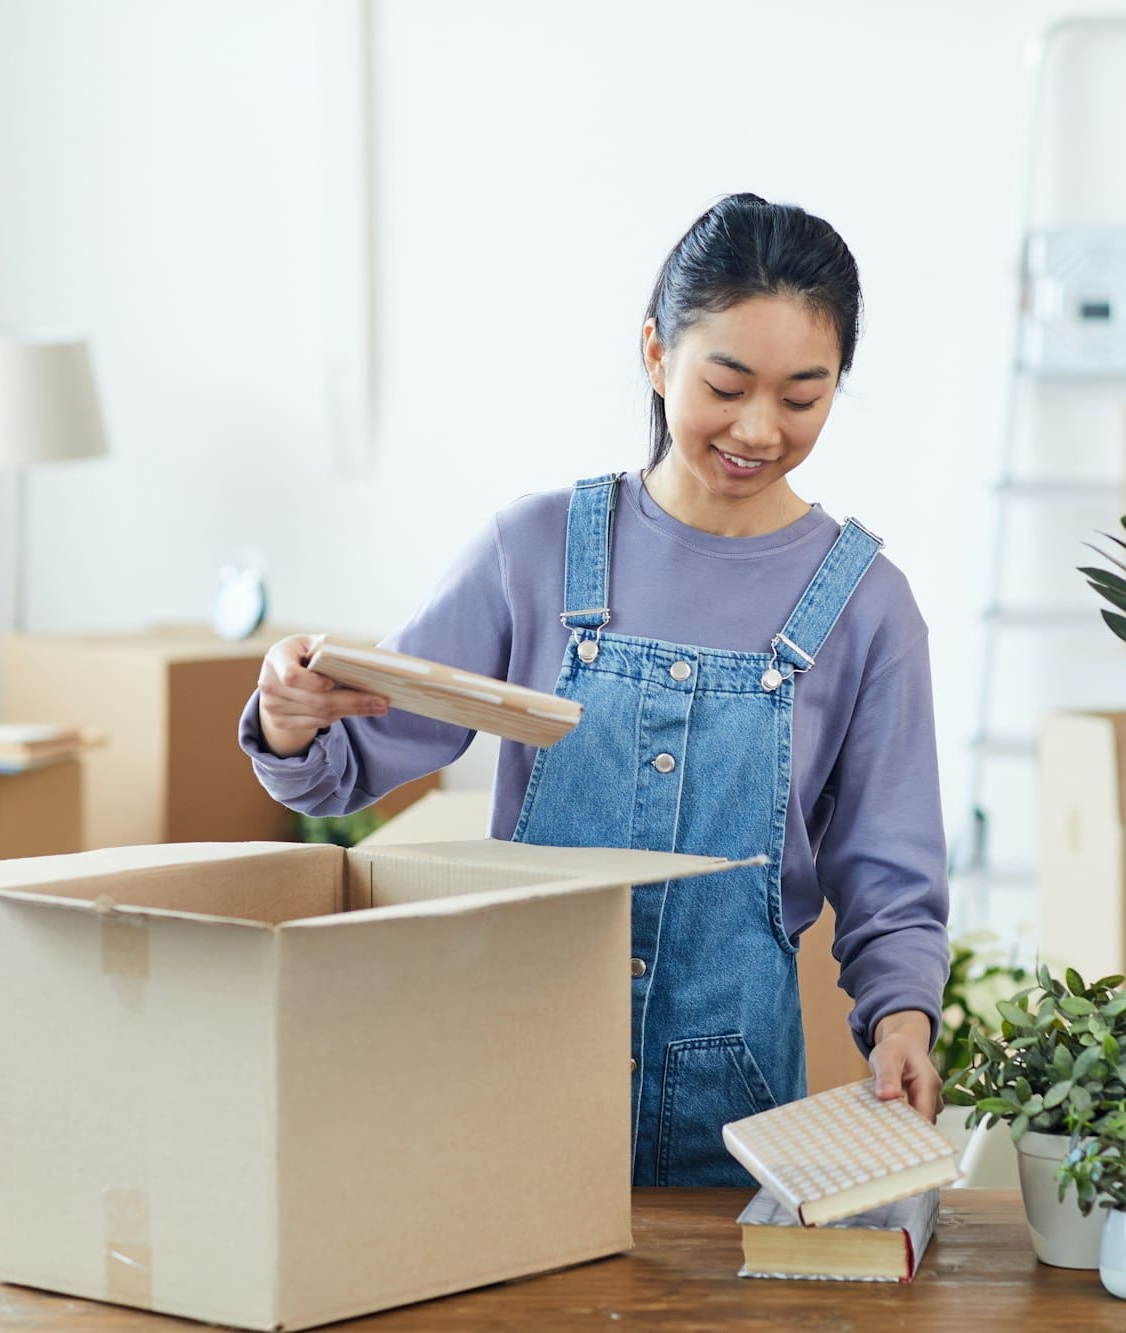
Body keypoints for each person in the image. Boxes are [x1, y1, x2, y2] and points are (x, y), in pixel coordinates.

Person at [241, 193, 949, 1187]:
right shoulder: (532, 551)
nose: (758, 428)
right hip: (513, 1074)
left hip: (739, 1108)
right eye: (727, 383)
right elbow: (344, 762)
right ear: (657, 355)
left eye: (801, 397)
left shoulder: (867, 605)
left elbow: (889, 873)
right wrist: (288, 718)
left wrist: (902, 1018)